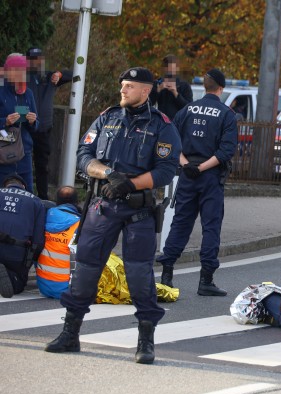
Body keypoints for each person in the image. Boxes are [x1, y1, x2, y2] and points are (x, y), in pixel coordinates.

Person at [44, 67, 181, 365]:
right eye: (122, 85)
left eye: (129, 86)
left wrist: (130, 183)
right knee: (86, 270)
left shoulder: (162, 126)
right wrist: (108, 173)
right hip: (101, 206)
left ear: (145, 91)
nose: (123, 90)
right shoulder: (107, 117)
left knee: (139, 275)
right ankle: (70, 333)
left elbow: (166, 170)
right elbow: (83, 154)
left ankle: (146, 341)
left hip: (138, 210)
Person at [156, 68, 237, 297]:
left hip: (186, 175)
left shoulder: (187, 110)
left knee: (180, 223)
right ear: (221, 88)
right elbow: (226, 151)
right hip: (210, 176)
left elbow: (172, 142)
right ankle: (206, 280)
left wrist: (186, 165)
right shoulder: (226, 114)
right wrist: (201, 168)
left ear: (205, 86)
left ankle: (167, 275)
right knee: (211, 226)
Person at [26, 47, 72, 200]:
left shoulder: (50, 76)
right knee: (21, 163)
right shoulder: (21, 76)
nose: (36, 62)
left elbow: (73, 74)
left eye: (39, 59)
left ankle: (43, 198)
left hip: (44, 129)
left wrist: (59, 74)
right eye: (33, 59)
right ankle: (24, 195)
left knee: (42, 166)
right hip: (25, 128)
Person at [0, 174, 46, 298]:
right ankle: (10, 275)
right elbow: (38, 239)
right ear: (23, 186)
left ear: (6, 185)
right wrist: (31, 260)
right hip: (16, 253)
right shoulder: (36, 201)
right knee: (18, 285)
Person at [0, 54, 39, 193]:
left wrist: (33, 121)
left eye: (22, 70)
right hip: (3, 152)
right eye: (15, 70)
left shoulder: (27, 93)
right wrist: (5, 121)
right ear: (7, 71)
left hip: (24, 153)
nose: (19, 74)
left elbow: (36, 126)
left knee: (27, 194)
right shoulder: (1, 91)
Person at [36, 186, 81, 299]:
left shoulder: (43, 217)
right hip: (67, 289)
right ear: (77, 202)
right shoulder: (80, 224)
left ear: (57, 201)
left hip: (43, 287)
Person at [149, 54, 193, 120]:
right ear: (163, 69)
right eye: (168, 71)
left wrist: (176, 93)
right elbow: (148, 104)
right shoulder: (157, 83)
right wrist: (158, 90)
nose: (170, 74)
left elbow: (189, 108)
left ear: (177, 69)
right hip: (161, 122)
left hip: (178, 123)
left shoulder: (184, 85)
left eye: (173, 70)